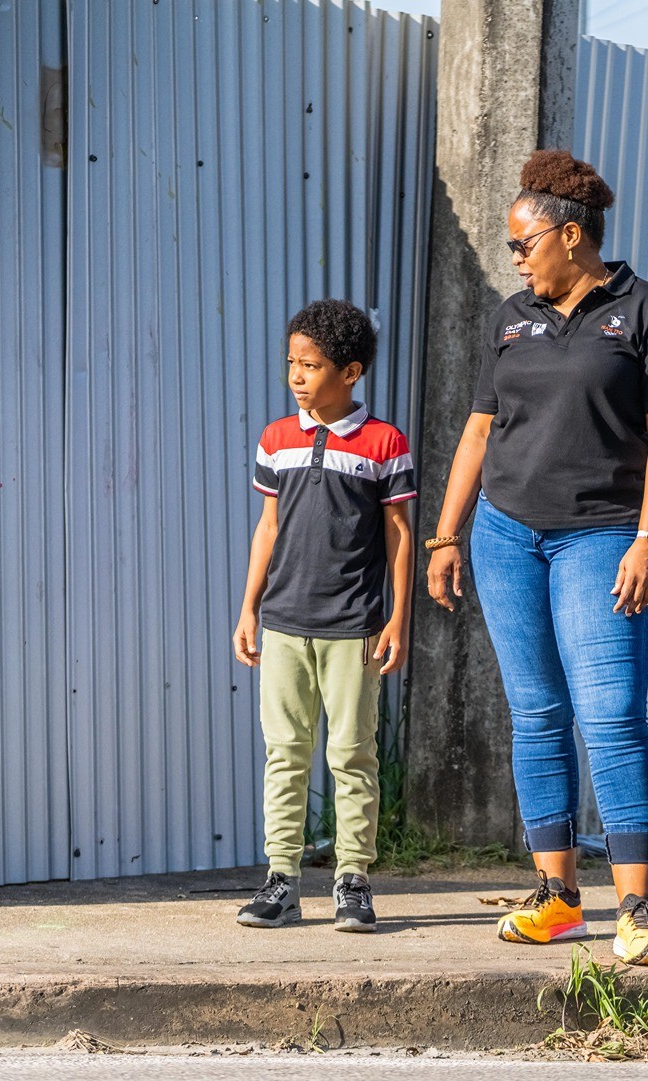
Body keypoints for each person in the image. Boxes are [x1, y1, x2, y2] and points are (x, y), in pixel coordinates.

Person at [426, 149, 648, 965]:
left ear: (570, 236)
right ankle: (558, 897)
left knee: (610, 715)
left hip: (602, 537)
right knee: (538, 714)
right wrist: (447, 534)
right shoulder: (511, 318)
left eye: (523, 242)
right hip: (507, 535)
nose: (514, 257)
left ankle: (637, 907)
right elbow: (480, 429)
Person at [232, 299, 416, 932]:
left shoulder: (384, 443)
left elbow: (399, 533)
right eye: (292, 362)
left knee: (352, 753)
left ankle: (352, 880)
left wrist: (397, 618)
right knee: (284, 752)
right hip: (283, 622)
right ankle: (281, 880)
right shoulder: (276, 438)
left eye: (310, 365)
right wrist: (249, 608)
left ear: (351, 372)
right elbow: (268, 527)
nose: (296, 376)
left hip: (354, 625)